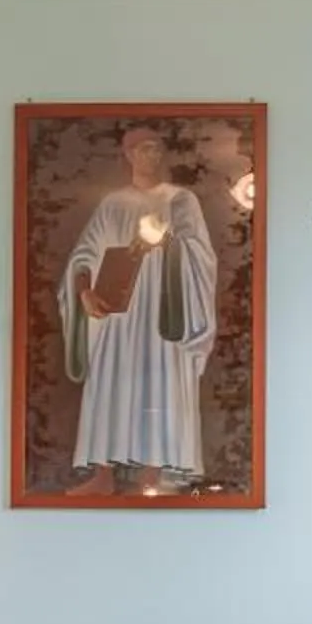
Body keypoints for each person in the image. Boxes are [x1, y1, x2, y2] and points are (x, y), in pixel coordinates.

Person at [61, 125, 218, 485]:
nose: (153, 156)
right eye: (145, 149)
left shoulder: (180, 200)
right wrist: (85, 291)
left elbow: (201, 254)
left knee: (160, 383)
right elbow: (85, 254)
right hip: (119, 313)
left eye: (157, 149)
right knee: (111, 382)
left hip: (165, 309)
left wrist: (169, 242)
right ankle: (103, 476)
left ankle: (153, 474)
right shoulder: (113, 203)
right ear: (129, 154)